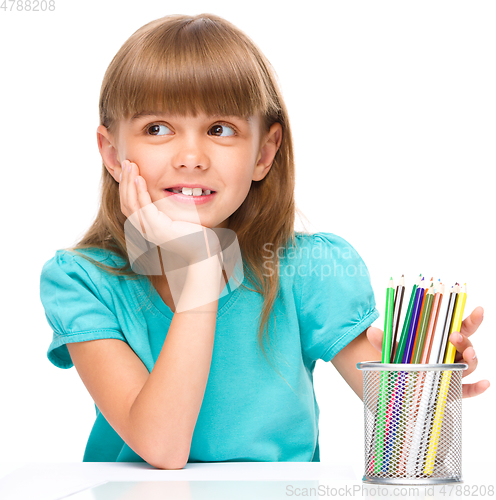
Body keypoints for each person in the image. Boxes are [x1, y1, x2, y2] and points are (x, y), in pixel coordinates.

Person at [39, 13, 489, 470]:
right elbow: (162, 447)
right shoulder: (83, 281)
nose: (191, 158)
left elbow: (409, 436)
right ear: (114, 154)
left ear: (265, 152)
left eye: (220, 129)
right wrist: (196, 268)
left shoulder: (306, 269)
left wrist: (430, 378)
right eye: (157, 128)